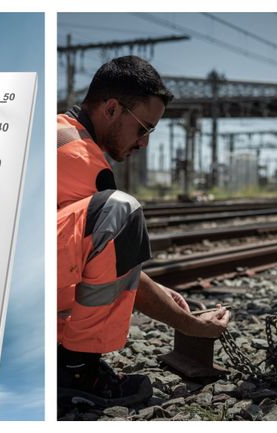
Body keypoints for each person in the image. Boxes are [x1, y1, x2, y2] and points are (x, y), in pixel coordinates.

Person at [57, 56, 230, 408]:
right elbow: (108, 243)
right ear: (111, 109)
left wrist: (144, 281)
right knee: (120, 211)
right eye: (143, 128)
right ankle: (76, 370)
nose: (144, 143)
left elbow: (98, 255)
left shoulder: (57, 131)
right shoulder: (85, 163)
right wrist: (190, 325)